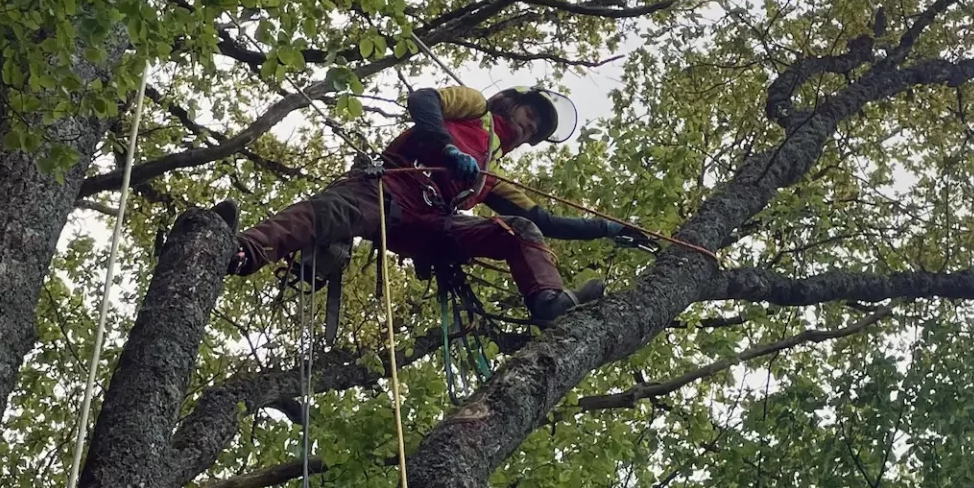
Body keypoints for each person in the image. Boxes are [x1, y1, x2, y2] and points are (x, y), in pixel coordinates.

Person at [226, 83, 655, 324]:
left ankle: (548, 302)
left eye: (538, 130)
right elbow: (424, 99)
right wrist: (448, 147)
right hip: (388, 189)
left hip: (429, 225)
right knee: (331, 213)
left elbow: (542, 218)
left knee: (520, 231)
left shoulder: (492, 174)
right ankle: (243, 249)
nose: (531, 127)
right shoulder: (475, 109)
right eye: (532, 115)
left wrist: (610, 229)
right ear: (514, 102)